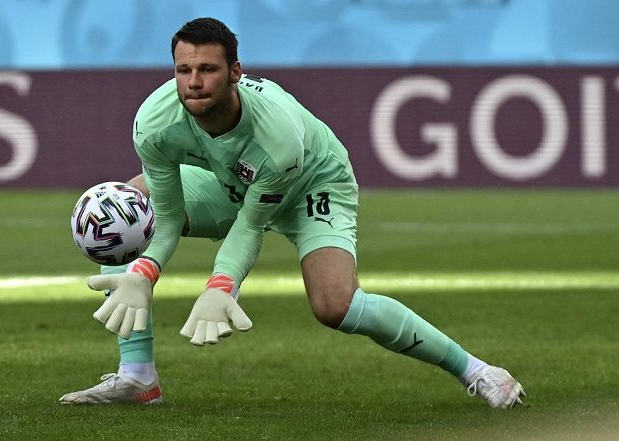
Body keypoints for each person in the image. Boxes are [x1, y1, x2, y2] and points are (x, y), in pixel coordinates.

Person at [59, 17, 525, 408]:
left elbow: (250, 224)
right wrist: (144, 271)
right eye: (184, 70)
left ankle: (476, 370)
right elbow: (163, 214)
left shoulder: (276, 138)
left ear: (236, 72)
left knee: (335, 305)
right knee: (121, 212)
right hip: (229, 181)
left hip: (310, 183)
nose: (194, 82)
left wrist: (222, 285)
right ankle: (138, 376)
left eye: (208, 69)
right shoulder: (155, 123)